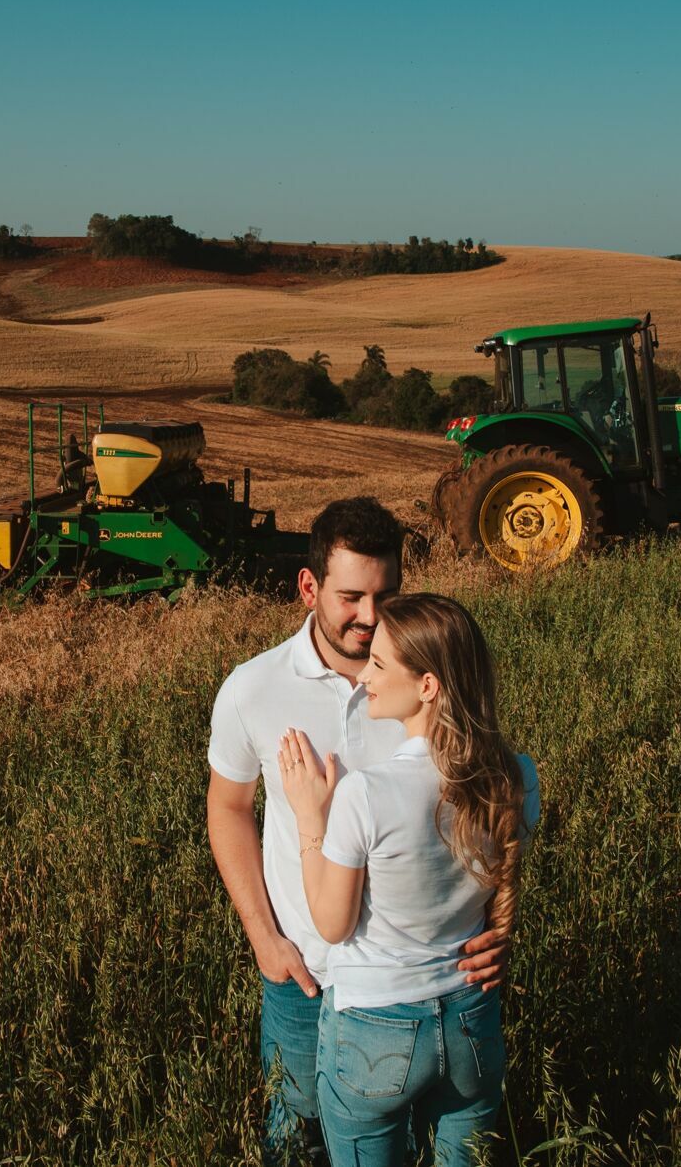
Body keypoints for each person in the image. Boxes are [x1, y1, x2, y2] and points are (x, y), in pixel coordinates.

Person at [207, 499, 513, 1163]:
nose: (371, 618)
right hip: (305, 972)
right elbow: (228, 809)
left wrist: (499, 923)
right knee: (298, 1130)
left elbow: (487, 808)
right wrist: (264, 938)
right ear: (309, 587)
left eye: (387, 594)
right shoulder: (252, 689)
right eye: (351, 597)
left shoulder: (428, 683)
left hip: (432, 982)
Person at [276, 593, 539, 1166]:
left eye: (379, 664)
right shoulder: (516, 777)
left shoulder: (366, 794)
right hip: (471, 1016)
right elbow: (494, 890)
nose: (364, 675)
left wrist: (308, 817)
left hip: (377, 1024)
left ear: (427, 686)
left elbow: (333, 924)